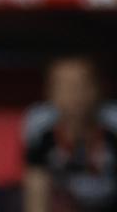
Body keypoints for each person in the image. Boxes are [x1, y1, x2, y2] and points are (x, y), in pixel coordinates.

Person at [23, 57, 117, 211]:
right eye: (65, 87)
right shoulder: (40, 127)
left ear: (100, 88)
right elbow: (36, 187)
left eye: (82, 86)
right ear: (49, 92)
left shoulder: (113, 124)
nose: (74, 96)